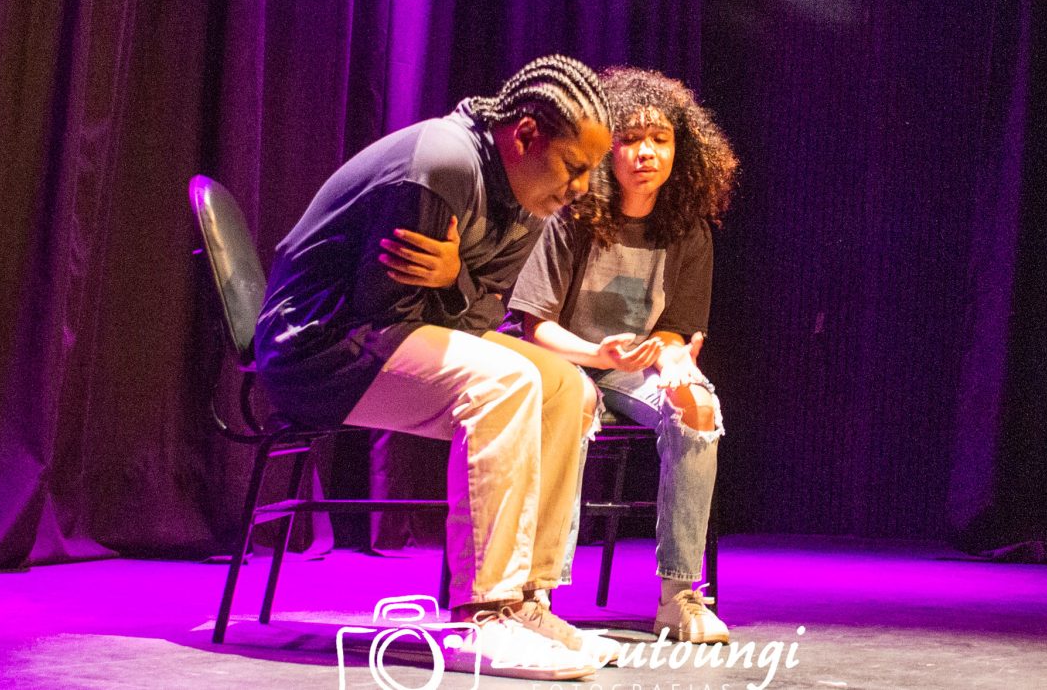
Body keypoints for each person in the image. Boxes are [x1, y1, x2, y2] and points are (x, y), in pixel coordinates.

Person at [254, 55, 618, 679]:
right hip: (318, 348)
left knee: (567, 387)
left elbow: (483, 314)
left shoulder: (530, 197)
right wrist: (461, 292)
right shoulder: (443, 165)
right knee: (506, 381)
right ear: (526, 135)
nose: (581, 188)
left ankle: (527, 600)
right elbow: (387, 309)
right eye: (574, 166)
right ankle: (483, 615)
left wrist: (453, 279)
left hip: (383, 337)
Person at [508, 67, 739, 644]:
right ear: (606, 147)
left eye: (660, 139)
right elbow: (535, 326)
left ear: (681, 150)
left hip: (633, 371)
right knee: (576, 400)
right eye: (631, 139)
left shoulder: (688, 229)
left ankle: (679, 596)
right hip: (566, 361)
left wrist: (673, 358)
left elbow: (676, 329)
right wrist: (596, 351)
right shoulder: (570, 213)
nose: (646, 153)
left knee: (698, 406)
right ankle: (538, 594)